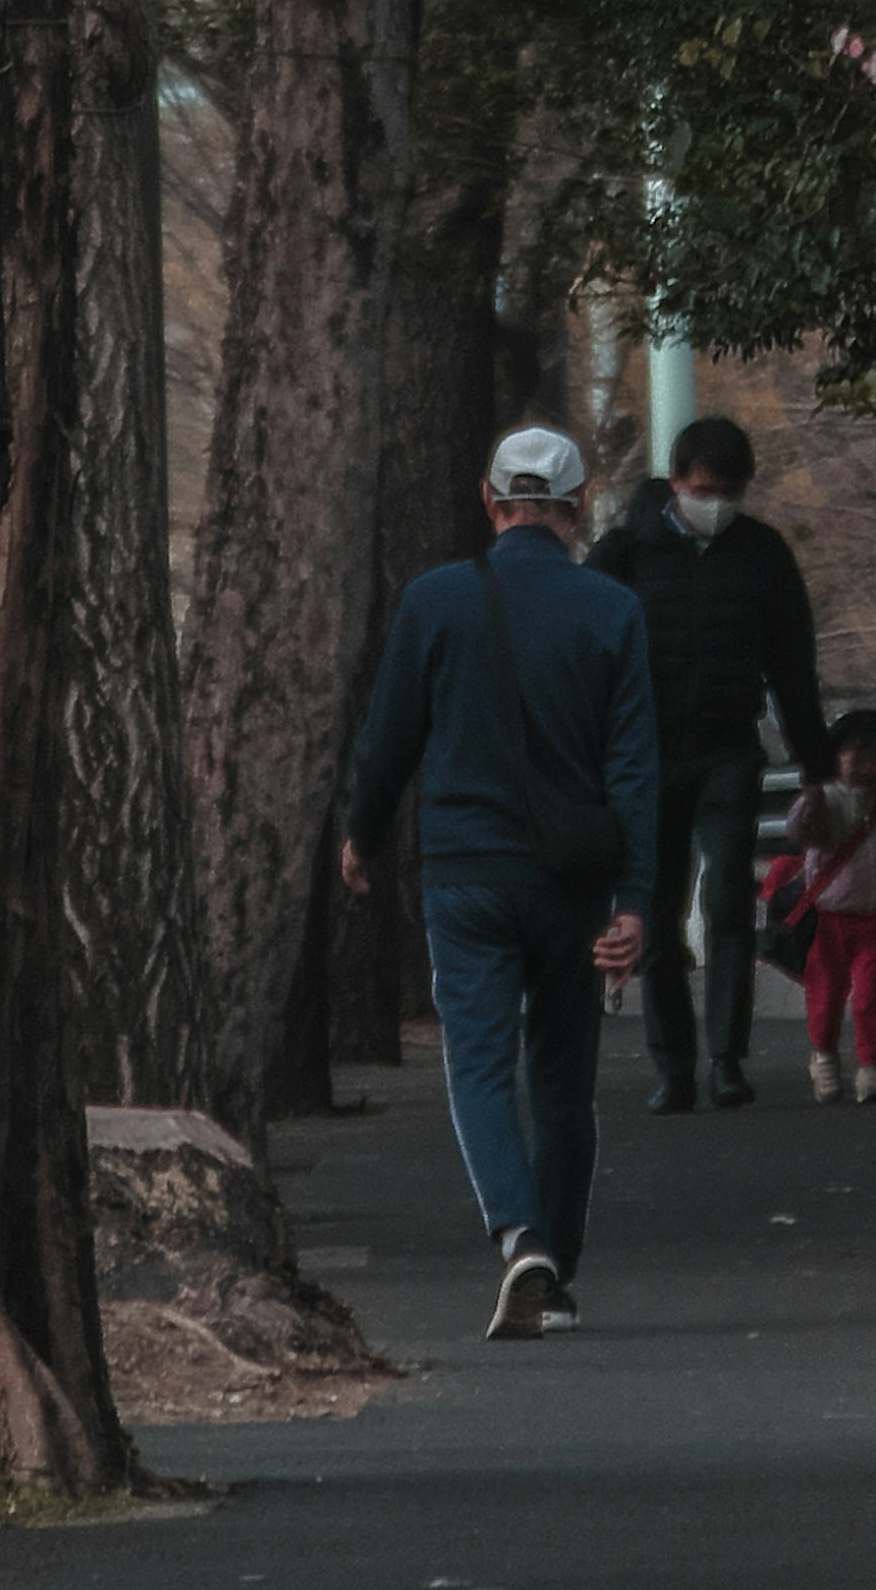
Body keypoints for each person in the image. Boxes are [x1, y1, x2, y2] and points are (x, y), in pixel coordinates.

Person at [339, 424, 655, 1346]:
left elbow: (389, 733)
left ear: (490, 499)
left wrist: (363, 830)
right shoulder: (612, 611)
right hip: (572, 882)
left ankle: (519, 1237)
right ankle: (557, 1273)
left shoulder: (436, 600)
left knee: (477, 1061)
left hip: (465, 875)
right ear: (579, 504)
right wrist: (634, 899)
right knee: (564, 1077)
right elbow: (633, 767)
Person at [587, 407, 834, 1109]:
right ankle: (673, 1065)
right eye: (706, 488)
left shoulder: (762, 555)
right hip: (646, 756)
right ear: (675, 483)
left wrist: (816, 771)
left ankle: (726, 1055)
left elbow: (794, 669)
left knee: (729, 898)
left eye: (732, 490)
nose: (717, 503)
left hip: (728, 748)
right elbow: (582, 659)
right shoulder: (625, 554)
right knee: (656, 911)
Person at [779, 705, 876, 1104]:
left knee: (873, 994)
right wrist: (812, 793)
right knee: (826, 994)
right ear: (835, 757)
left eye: (875, 755)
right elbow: (797, 834)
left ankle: (870, 1068)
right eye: (856, 754)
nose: (866, 764)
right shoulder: (823, 800)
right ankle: (824, 1057)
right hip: (828, 916)